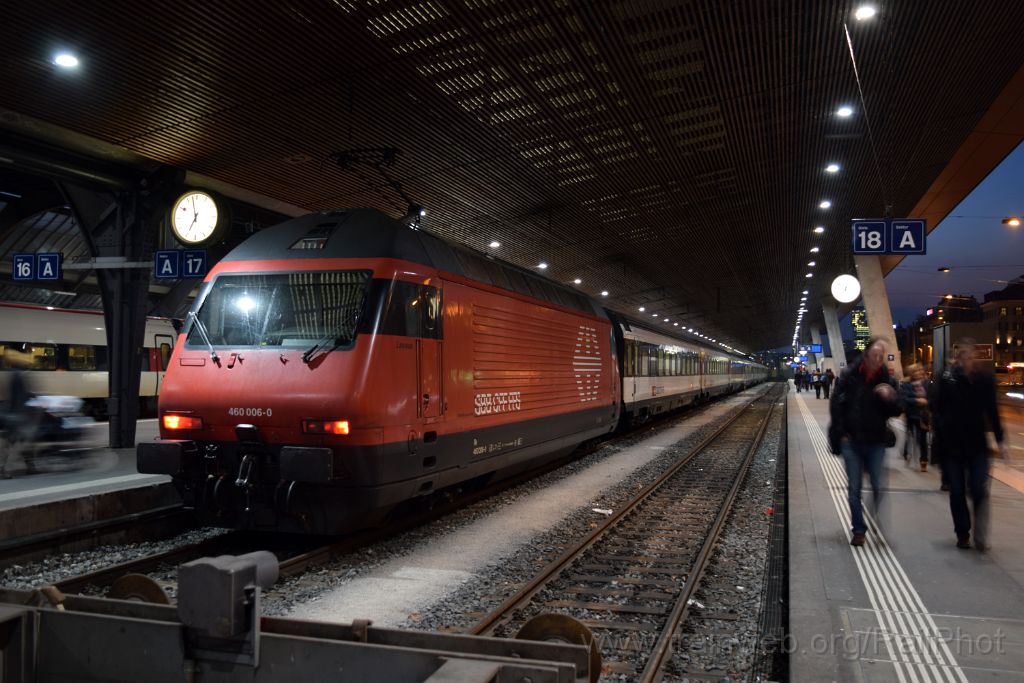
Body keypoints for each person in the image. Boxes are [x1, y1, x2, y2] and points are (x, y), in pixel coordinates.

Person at [931, 339, 1007, 551]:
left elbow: (993, 410)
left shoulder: (984, 380)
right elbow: (936, 408)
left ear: (975, 357)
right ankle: (963, 533)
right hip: (952, 446)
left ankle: (980, 534)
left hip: (977, 445)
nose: (967, 359)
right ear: (957, 357)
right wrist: (939, 433)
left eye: (970, 355)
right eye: (963, 355)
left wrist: (1000, 439)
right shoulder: (946, 379)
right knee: (956, 491)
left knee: (979, 489)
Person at [828, 337, 903, 546]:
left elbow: (897, 410)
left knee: (878, 486)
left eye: (882, 356)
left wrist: (890, 397)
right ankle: (859, 530)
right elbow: (836, 403)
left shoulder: (887, 378)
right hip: (851, 441)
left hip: (876, 441)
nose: (879, 359)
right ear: (867, 354)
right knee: (854, 489)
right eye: (876, 355)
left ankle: (872, 516)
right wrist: (841, 432)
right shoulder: (850, 374)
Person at [1, 344, 37, 479]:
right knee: (18, 441)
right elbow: (22, 395)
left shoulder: (14, 375)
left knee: (22, 440)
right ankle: (4, 469)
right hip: (18, 415)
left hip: (15, 414)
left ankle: (30, 466)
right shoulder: (20, 376)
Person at [900, 364, 932, 472]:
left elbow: (932, 397)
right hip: (911, 414)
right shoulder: (906, 384)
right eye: (915, 371)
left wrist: (927, 402)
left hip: (923, 415)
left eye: (920, 370)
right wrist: (917, 400)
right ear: (911, 373)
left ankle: (924, 460)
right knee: (909, 435)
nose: (918, 373)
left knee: (922, 438)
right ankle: (906, 453)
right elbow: (904, 398)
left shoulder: (927, 384)